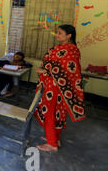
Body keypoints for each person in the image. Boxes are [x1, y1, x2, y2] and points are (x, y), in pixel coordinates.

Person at [34, 25, 85, 153]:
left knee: (50, 113)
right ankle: (55, 138)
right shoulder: (62, 48)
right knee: (57, 112)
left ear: (69, 36)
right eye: (57, 33)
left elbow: (66, 70)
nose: (57, 35)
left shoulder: (71, 50)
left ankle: (51, 144)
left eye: (60, 33)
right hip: (54, 86)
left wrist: (44, 70)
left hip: (57, 87)